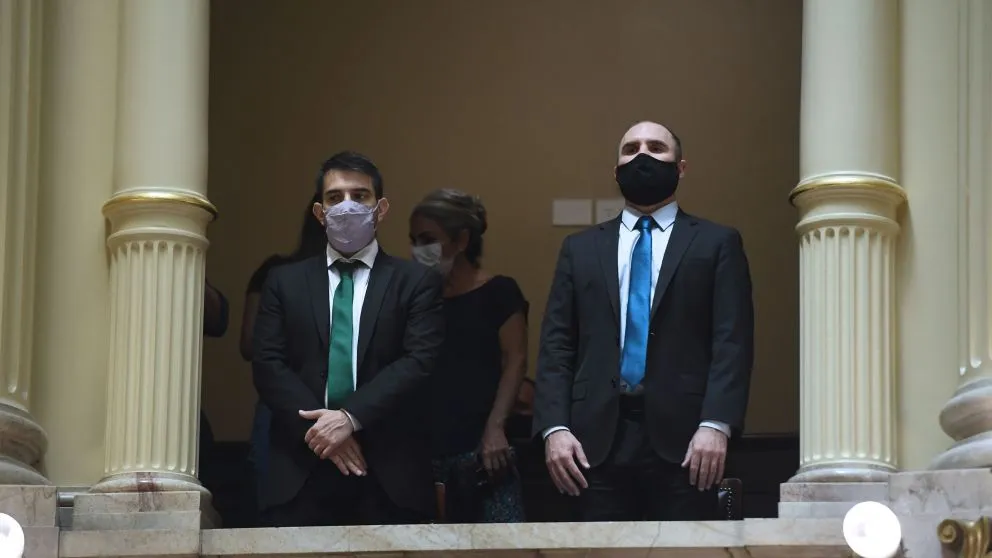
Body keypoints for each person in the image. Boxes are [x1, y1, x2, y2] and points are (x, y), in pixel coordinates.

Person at [532, 121, 754, 521]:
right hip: (590, 445)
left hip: (689, 444)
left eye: (656, 147)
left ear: (681, 168)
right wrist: (554, 428)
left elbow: (732, 342)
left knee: (684, 549)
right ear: (616, 170)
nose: (643, 156)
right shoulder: (579, 249)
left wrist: (716, 423)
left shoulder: (717, 243)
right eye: (631, 149)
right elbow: (557, 345)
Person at [252, 151, 445, 526]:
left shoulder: (416, 282)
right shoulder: (284, 282)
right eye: (334, 197)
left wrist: (349, 418)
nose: (347, 205)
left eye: (360, 196)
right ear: (320, 212)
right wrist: (322, 432)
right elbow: (267, 364)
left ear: (381, 208)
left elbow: (419, 361)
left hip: (390, 473)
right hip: (300, 470)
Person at [409, 189, 528, 523]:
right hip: (426, 450)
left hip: (484, 451)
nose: (418, 250)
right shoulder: (418, 298)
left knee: (503, 542)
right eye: (414, 241)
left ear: (461, 240)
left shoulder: (499, 292)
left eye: (428, 239)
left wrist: (495, 428)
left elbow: (516, 360)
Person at [239, 194, 327, 518]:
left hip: (338, 404)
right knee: (278, 501)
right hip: (280, 401)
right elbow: (251, 344)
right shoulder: (276, 273)